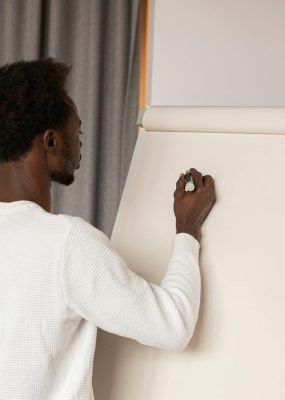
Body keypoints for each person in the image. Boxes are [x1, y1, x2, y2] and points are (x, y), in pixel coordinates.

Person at [0, 58, 215, 399]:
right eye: (78, 130)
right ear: (51, 141)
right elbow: (173, 327)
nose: (81, 141)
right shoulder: (66, 243)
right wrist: (187, 230)